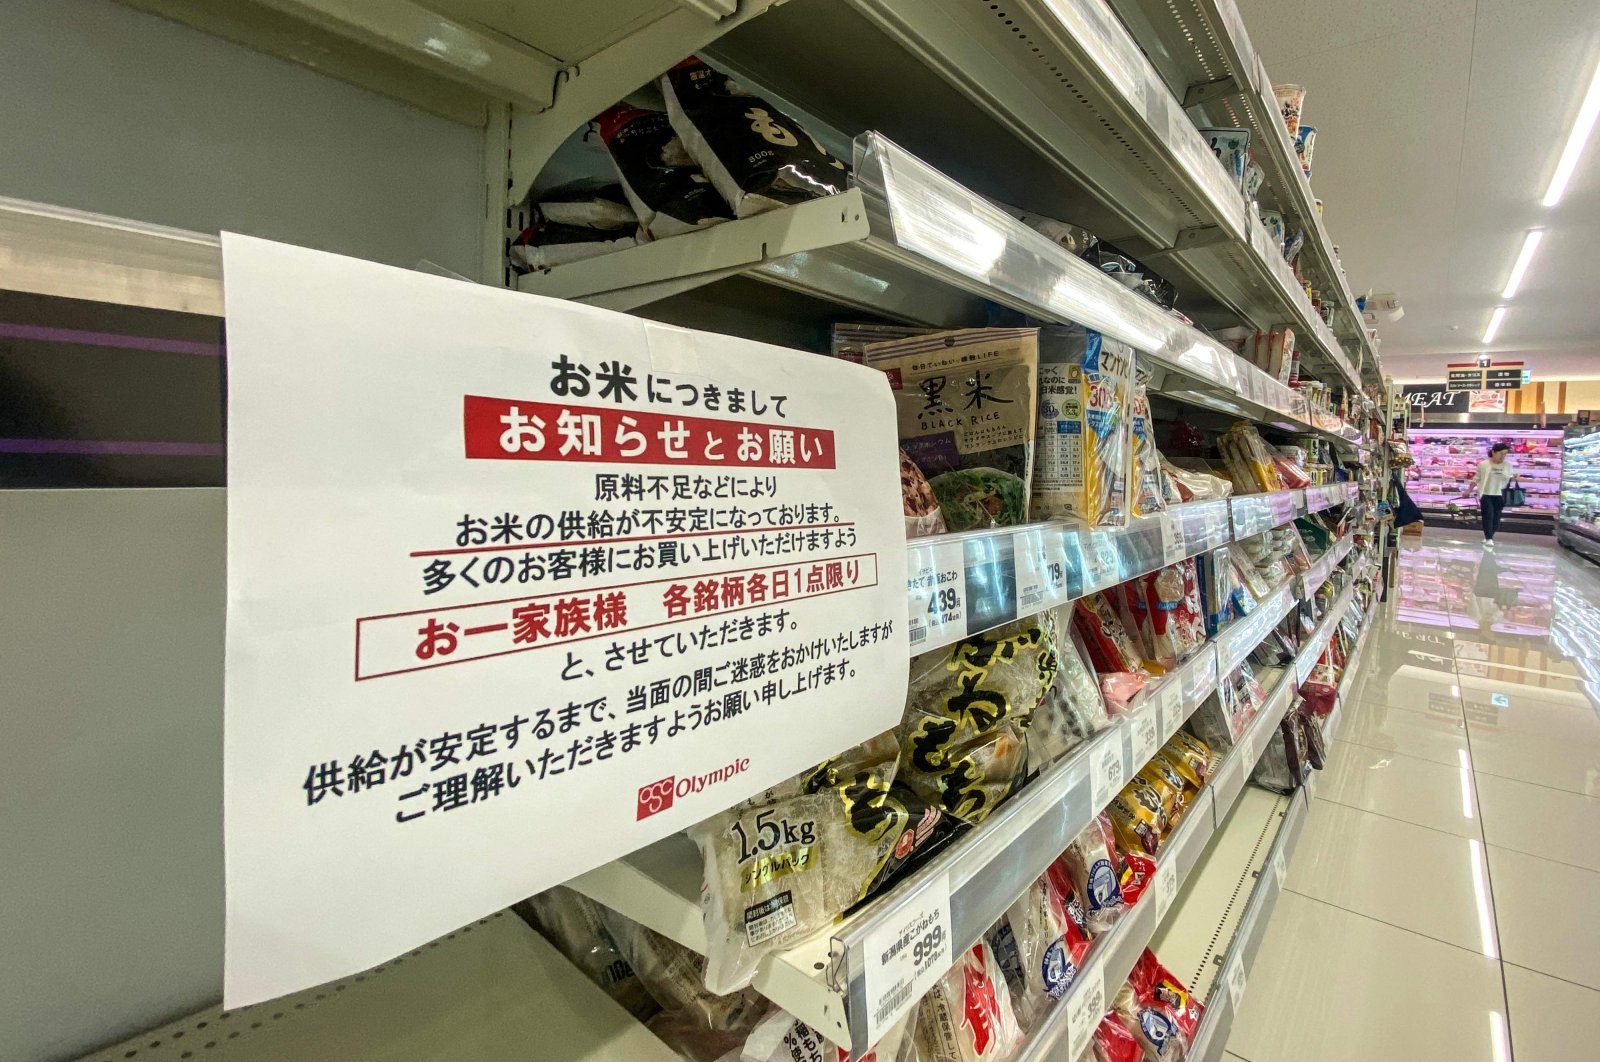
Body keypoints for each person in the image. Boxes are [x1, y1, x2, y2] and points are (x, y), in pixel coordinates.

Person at [1473, 442, 1515, 547]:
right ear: (1493, 452)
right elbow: (1476, 478)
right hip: (1486, 494)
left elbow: (1510, 478)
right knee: (1488, 516)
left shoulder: (1507, 465)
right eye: (1501, 453)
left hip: (1501, 495)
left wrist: (1515, 477)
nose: (1503, 456)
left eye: (1505, 454)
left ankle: (1490, 535)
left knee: (1496, 517)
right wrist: (1468, 490)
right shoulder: (1484, 464)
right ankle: (1489, 538)